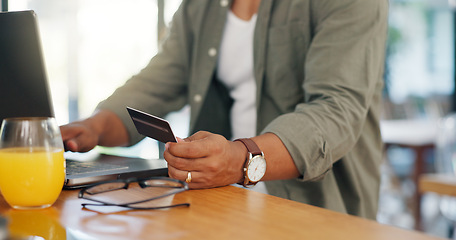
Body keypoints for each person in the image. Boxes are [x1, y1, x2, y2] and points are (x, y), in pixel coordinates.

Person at [61, 0, 388, 220]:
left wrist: (241, 160)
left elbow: (336, 110)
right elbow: (158, 81)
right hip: (223, 205)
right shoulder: (200, 6)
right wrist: (95, 127)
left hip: (315, 210)